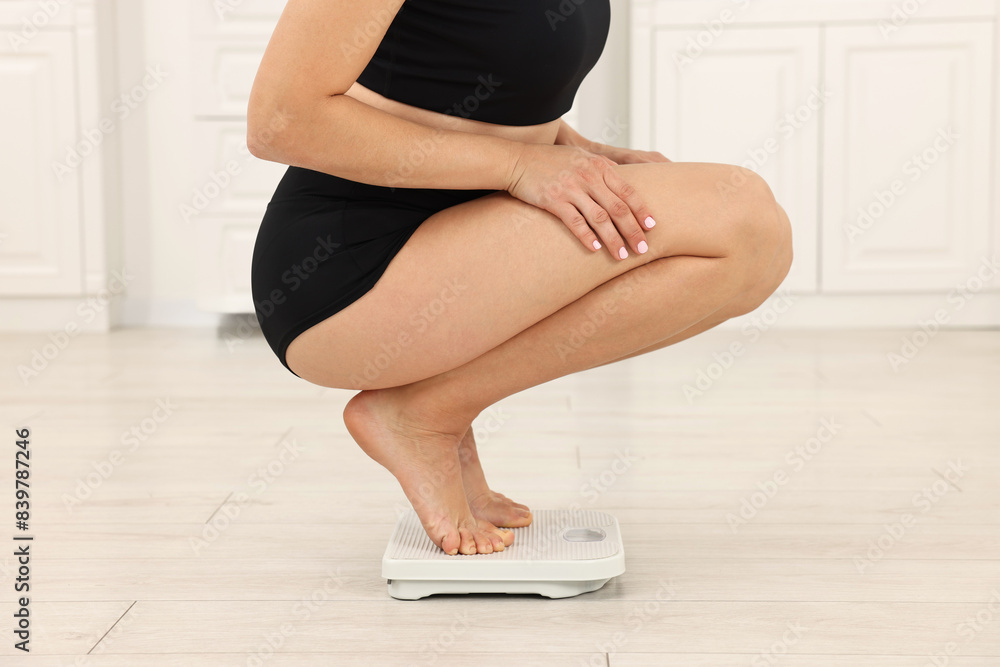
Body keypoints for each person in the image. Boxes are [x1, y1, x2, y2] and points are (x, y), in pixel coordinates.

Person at [248, 0, 793, 556]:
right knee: (741, 219)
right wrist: (518, 167)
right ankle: (423, 418)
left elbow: (477, 78)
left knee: (758, 254)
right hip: (348, 269)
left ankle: (428, 408)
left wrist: (583, 155)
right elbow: (279, 120)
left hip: (459, 228)